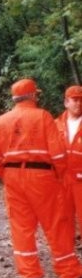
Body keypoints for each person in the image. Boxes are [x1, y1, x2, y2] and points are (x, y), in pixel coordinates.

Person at [0, 78, 82, 278]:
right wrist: (58, 175)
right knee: (56, 224)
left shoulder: (1, 121)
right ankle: (70, 275)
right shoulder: (43, 117)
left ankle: (31, 274)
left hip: (12, 178)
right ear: (32, 95)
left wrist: (9, 174)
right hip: (42, 177)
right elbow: (58, 155)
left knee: (21, 226)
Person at [55, 85, 82, 240]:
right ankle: (66, 254)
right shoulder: (55, 124)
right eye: (75, 100)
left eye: (81, 100)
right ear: (66, 102)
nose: (79, 103)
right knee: (62, 219)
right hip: (61, 180)